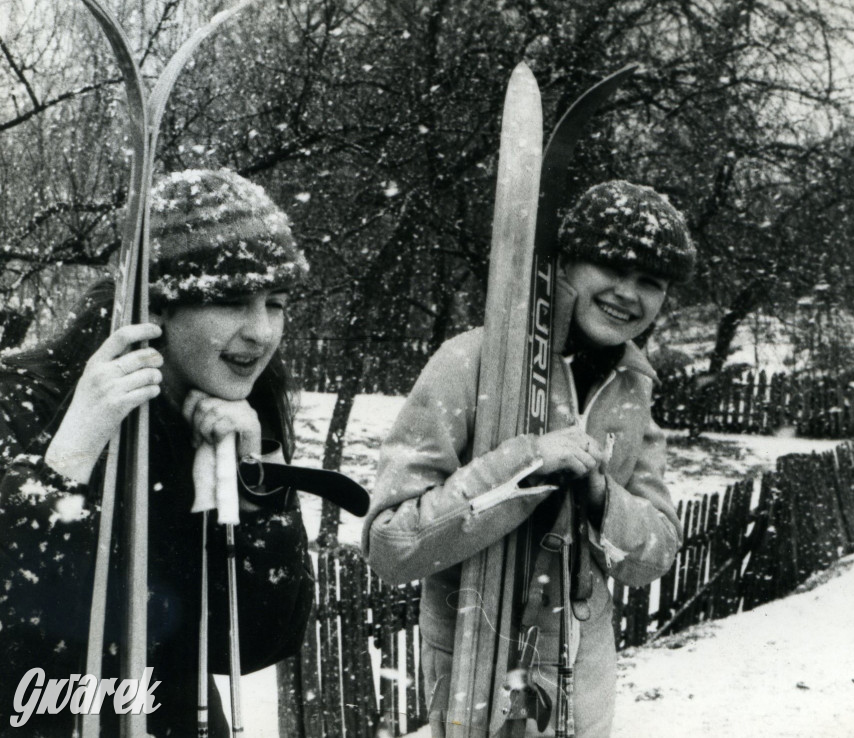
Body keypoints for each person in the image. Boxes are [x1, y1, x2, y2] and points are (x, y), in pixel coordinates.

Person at [363, 180, 695, 737]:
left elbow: (654, 555)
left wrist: (601, 496)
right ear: (565, 263)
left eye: (650, 282)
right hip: (475, 665)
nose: (627, 293)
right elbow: (392, 547)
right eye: (612, 267)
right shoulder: (471, 361)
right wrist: (524, 466)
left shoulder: (634, 388)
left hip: (583, 674)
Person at [0, 168, 314, 737]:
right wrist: (67, 461)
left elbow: (254, 644)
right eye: (233, 301)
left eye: (276, 303)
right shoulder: (19, 399)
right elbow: (17, 631)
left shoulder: (238, 408)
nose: (262, 331)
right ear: (157, 306)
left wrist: (253, 487)